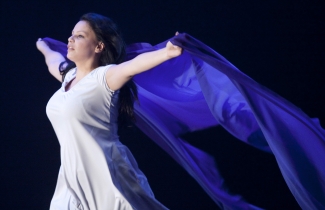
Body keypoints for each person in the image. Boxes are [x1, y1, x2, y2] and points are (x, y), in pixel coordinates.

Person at [36, 13, 181, 210]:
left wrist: (166, 53)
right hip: (71, 180)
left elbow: (132, 66)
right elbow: (53, 61)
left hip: (107, 175)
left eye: (80, 36)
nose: (70, 39)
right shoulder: (68, 77)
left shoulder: (104, 78)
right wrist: (43, 47)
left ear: (98, 46)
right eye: (71, 34)